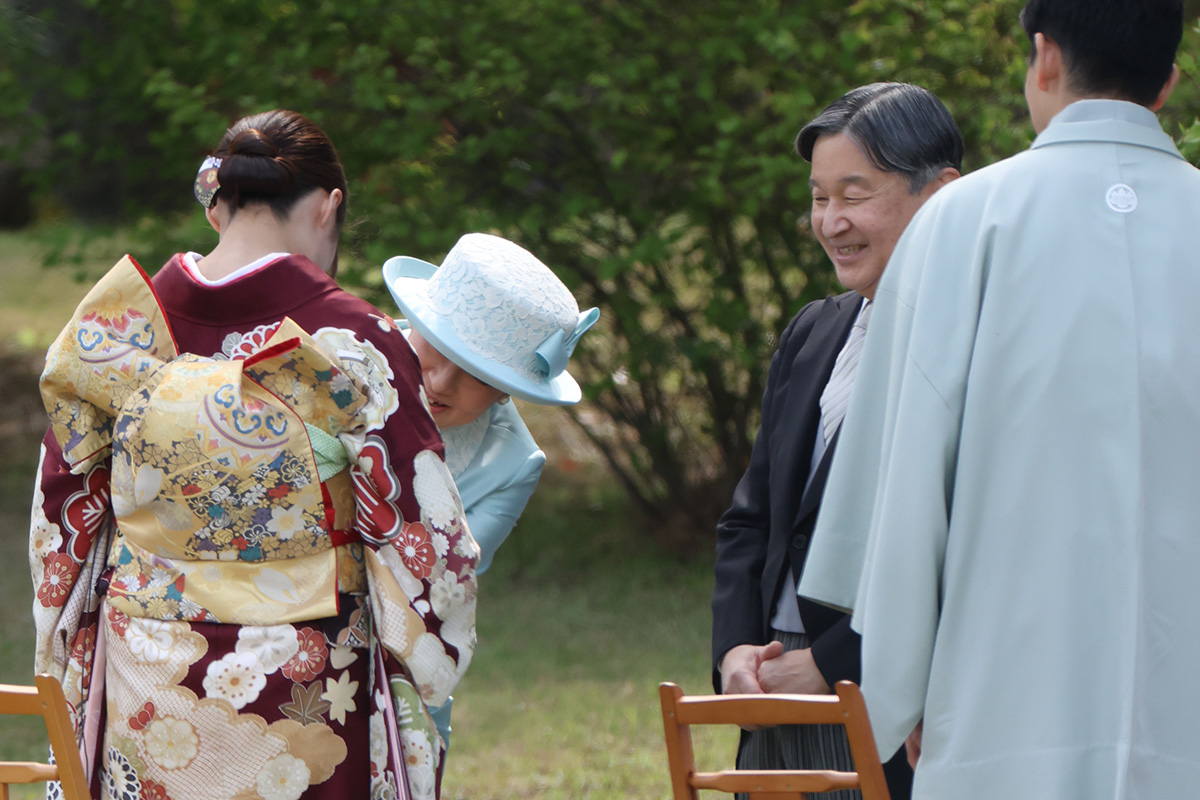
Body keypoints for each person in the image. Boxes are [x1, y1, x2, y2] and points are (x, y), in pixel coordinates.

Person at [798, 2, 1200, 798]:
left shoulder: (962, 220)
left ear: (1044, 57)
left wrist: (904, 677)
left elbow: (908, 478)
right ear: (1167, 84)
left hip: (1002, 698)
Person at [31, 109, 476, 800]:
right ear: (328, 207)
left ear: (220, 205)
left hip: (147, 667)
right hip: (305, 675)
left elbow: (62, 521)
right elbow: (424, 536)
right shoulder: (355, 340)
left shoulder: (119, 331)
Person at [710, 83, 962, 800]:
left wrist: (830, 662)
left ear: (941, 193)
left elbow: (960, 543)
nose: (831, 222)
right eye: (819, 198)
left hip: (896, 691)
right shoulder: (814, 330)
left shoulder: (970, 344)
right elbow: (752, 517)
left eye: (854, 195)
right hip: (772, 679)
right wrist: (736, 651)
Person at [382, 232, 598, 746]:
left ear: (507, 390)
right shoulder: (346, 357)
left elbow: (442, 585)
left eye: (477, 373)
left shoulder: (513, 463)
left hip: (397, 671)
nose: (441, 382)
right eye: (437, 346)